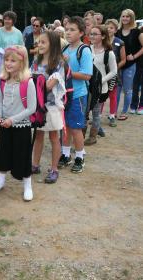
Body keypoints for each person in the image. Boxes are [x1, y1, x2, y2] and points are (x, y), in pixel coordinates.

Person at [0, 45, 36, 200]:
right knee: (3, 152)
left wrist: (12, 119)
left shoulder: (28, 82)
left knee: (23, 155)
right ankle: (0, 180)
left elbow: (31, 108)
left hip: (21, 125)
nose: (8, 63)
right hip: (5, 125)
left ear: (21, 63)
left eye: (13, 61)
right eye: (6, 60)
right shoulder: (3, 80)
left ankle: (27, 185)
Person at [31, 31, 66, 184]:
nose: (40, 45)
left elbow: (47, 87)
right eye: (39, 42)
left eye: (43, 42)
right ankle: (35, 164)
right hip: (38, 107)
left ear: (53, 44)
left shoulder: (58, 63)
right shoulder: (35, 62)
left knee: (53, 137)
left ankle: (54, 169)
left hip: (51, 107)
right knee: (38, 136)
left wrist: (35, 84)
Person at [59, 16, 93, 173]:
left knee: (76, 128)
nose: (68, 33)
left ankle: (80, 157)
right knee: (64, 126)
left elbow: (87, 75)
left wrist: (67, 70)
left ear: (81, 32)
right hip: (64, 94)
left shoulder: (84, 50)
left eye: (72, 30)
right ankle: (65, 155)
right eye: (67, 29)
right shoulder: (65, 49)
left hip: (78, 95)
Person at [84, 25, 117, 145]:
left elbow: (114, 71)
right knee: (84, 112)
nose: (91, 36)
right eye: (90, 34)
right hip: (86, 87)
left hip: (100, 88)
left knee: (96, 114)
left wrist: (101, 80)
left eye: (95, 34)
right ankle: (81, 135)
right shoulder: (86, 49)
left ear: (103, 36)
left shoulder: (109, 53)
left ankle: (92, 137)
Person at [116, 9, 143, 118]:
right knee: (117, 89)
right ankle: (114, 112)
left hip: (131, 64)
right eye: (123, 16)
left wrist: (134, 56)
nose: (125, 18)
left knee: (127, 89)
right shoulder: (117, 31)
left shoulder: (137, 32)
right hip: (118, 64)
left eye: (128, 16)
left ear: (132, 18)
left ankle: (124, 112)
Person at [0, 11, 23, 98]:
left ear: (13, 21)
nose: (6, 21)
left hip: (14, 60)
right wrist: (6, 53)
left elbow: (21, 46)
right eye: (5, 19)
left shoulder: (18, 33)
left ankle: (9, 96)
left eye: (9, 19)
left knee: (11, 79)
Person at [104, 18, 126, 126]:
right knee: (101, 95)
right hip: (102, 73)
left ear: (116, 30)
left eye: (111, 28)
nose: (109, 29)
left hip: (114, 74)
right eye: (107, 27)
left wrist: (115, 67)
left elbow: (123, 60)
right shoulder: (101, 41)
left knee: (113, 95)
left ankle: (112, 115)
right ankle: (97, 116)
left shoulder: (120, 42)